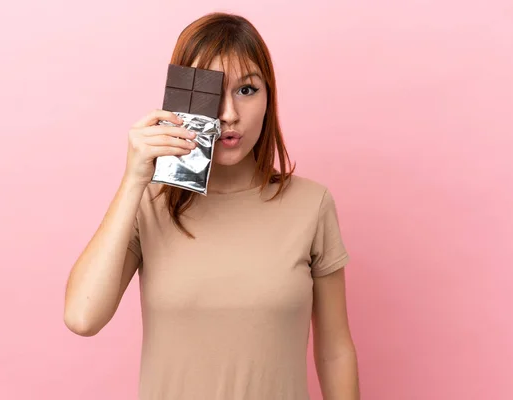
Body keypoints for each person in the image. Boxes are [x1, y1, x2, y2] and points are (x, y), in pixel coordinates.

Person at [64, 12, 360, 400]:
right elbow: (82, 317)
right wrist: (134, 180)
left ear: (269, 97)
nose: (228, 114)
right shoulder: (148, 206)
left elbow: (335, 351)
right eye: (210, 91)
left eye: (247, 90)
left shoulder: (311, 204)